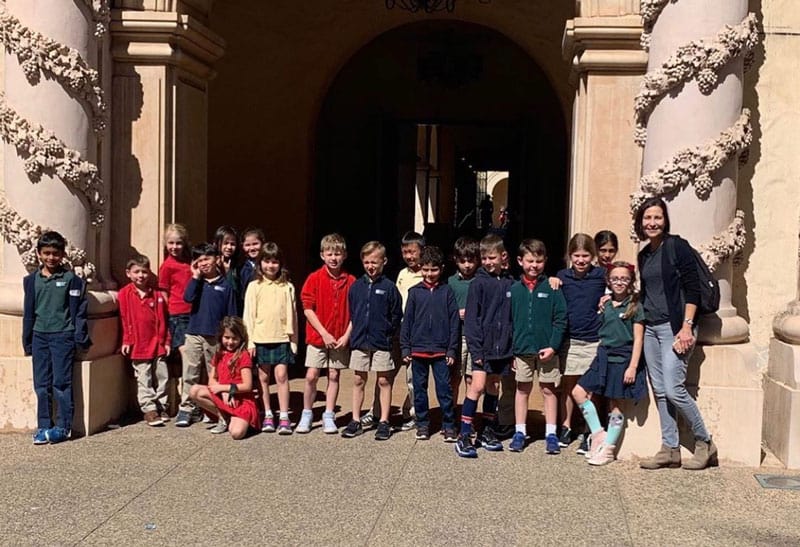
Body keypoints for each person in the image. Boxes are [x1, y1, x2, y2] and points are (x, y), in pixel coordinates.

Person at [636, 197, 717, 470]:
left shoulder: (677, 247)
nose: (652, 223)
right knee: (660, 390)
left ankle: (705, 442)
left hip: (675, 328)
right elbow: (647, 293)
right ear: (640, 222)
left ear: (665, 220)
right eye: (647, 218)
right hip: (650, 329)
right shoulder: (644, 254)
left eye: (657, 217)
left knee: (673, 388)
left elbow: (692, 288)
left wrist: (686, 326)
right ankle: (669, 448)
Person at [571, 261, 648, 465]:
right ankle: (598, 434)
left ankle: (609, 449)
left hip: (622, 359)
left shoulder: (635, 306)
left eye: (624, 278)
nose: (619, 282)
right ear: (608, 281)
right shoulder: (604, 303)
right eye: (615, 278)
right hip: (603, 356)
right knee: (578, 392)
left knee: (616, 404)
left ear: (631, 281)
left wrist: (632, 366)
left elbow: (639, 339)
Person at [22, 231, 90, 444]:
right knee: (42, 384)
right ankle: (44, 426)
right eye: (47, 253)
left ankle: (62, 427)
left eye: (56, 253)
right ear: (39, 254)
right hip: (39, 336)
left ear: (63, 255)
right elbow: (28, 311)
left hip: (63, 336)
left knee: (61, 383)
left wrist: (79, 337)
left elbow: (79, 311)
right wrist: (27, 340)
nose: (51, 257)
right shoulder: (31, 281)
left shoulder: (72, 280)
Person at [455, 234, 514, 458]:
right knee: (477, 387)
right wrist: (476, 350)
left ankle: (487, 431)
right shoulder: (478, 283)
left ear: (503, 257)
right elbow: (471, 320)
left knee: (493, 388)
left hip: (502, 348)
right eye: (485, 258)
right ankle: (465, 434)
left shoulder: (509, 283)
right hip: (482, 348)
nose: (488, 262)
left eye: (492, 257)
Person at [508, 240, 567, 454]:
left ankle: (551, 433)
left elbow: (561, 319)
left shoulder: (552, 287)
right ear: (520, 261)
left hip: (547, 350)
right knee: (522, 389)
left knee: (548, 390)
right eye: (530, 261)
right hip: (522, 350)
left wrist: (553, 346)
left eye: (539, 261)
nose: (534, 265)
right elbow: (509, 321)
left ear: (545, 262)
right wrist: (512, 351)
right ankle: (520, 431)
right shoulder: (514, 289)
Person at [363, 231, 424, 431]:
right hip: (397, 332)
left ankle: (412, 413)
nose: (409, 256)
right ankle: (377, 411)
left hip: (416, 334)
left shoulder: (427, 274)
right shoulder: (402, 275)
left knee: (413, 377)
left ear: (421, 251)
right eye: (405, 252)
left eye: (413, 252)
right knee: (385, 373)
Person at [343, 241, 402, 441]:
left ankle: (384, 421)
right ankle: (356, 419)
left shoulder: (389, 288)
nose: (370, 266)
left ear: (383, 262)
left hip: (381, 342)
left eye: (375, 262)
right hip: (360, 341)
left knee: (384, 380)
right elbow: (353, 313)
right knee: (359, 379)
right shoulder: (356, 287)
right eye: (367, 262)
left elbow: (396, 315)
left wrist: (388, 335)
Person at [297, 233, 355, 434]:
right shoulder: (314, 278)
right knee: (312, 375)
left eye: (337, 254)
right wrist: (323, 333)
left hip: (340, 338)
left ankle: (329, 414)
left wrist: (347, 335)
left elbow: (356, 312)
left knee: (333, 374)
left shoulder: (351, 281)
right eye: (329, 254)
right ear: (322, 255)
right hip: (318, 337)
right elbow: (307, 307)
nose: (333, 258)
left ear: (344, 255)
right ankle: (307, 412)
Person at [555, 233, 607, 454]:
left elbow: (618, 288)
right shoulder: (562, 276)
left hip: (594, 338)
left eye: (585, 255)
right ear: (569, 256)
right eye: (576, 255)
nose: (581, 260)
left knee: (589, 389)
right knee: (568, 385)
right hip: (571, 338)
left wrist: (609, 297)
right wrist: (552, 281)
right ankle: (565, 427)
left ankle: (588, 430)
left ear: (593, 256)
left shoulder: (601, 276)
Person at [176, 243, 238, 427]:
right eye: (199, 260)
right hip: (194, 333)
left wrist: (229, 337)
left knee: (215, 373)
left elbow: (231, 314)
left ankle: (214, 408)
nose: (203, 263)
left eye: (207, 259)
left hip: (215, 336)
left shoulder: (226, 285)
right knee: (190, 371)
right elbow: (187, 298)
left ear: (217, 259)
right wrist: (195, 277)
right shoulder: (197, 283)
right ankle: (186, 408)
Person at [401, 246, 459, 442]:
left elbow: (453, 323)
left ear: (441, 269)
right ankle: (423, 424)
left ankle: (449, 425)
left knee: (444, 390)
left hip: (441, 351)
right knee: (419, 390)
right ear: (420, 269)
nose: (429, 273)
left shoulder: (447, 291)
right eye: (425, 269)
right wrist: (405, 347)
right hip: (417, 351)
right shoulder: (414, 292)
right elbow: (407, 321)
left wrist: (451, 349)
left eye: (434, 269)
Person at [243, 242, 297, 435]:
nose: (271, 266)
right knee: (264, 378)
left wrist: (294, 342)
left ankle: (284, 416)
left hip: (282, 337)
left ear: (280, 264)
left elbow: (294, 315)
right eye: (267, 261)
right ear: (260, 263)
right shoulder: (254, 286)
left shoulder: (287, 286)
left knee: (281, 376)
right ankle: (267, 413)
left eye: (275, 261)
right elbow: (248, 316)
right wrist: (249, 342)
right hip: (260, 338)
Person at [119, 254, 171, 427]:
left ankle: (161, 405)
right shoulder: (125, 294)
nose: (140, 275)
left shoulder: (156, 295)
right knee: (144, 377)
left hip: (157, 343)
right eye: (137, 272)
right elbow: (125, 319)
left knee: (161, 375)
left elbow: (164, 319)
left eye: (144, 272)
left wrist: (166, 341)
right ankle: (149, 409)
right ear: (129, 273)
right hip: (138, 344)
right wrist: (127, 340)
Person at [189, 316, 259, 439]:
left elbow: (247, 385)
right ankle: (223, 417)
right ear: (221, 337)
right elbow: (212, 380)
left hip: (241, 400)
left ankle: (236, 419)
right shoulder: (219, 354)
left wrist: (227, 389)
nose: (230, 342)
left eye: (234, 338)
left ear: (241, 339)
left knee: (236, 434)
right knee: (195, 390)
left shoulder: (243, 356)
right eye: (227, 338)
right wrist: (223, 391)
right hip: (223, 396)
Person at [158, 223, 193, 421]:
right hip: (177, 315)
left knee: (194, 361)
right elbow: (164, 292)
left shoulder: (191, 261)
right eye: (171, 243)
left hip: (194, 313)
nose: (174, 247)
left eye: (178, 243)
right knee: (185, 359)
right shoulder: (167, 266)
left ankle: (192, 400)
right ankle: (184, 403)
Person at [447, 236, 479, 403]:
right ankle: (451, 416)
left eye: (471, 261)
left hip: (475, 337)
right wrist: (455, 312)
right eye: (462, 261)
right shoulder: (450, 282)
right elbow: (444, 308)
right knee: (454, 378)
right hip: (456, 337)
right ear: (455, 260)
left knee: (470, 379)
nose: (467, 265)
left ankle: (468, 417)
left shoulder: (481, 281)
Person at [213, 225, 242, 310]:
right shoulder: (211, 263)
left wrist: (228, 272)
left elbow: (234, 291)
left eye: (232, 244)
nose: (229, 247)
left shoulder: (238, 266)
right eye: (225, 243)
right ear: (218, 243)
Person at [239, 227, 265, 295]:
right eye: (247, 245)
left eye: (255, 244)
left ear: (262, 243)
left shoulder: (269, 265)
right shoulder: (241, 268)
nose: (252, 248)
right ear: (242, 247)